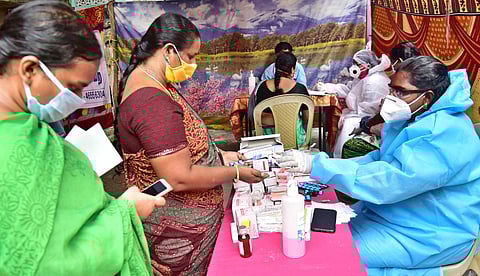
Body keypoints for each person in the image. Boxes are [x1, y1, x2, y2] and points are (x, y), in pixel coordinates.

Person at [0, 1, 165, 275]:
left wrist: (118, 207)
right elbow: (42, 266)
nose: (74, 103)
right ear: (29, 70)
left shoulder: (31, 129)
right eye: (71, 88)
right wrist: (125, 213)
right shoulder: (12, 149)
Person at [278, 56, 480, 275]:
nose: (391, 98)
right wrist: (316, 163)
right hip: (400, 214)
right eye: (392, 89)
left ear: (427, 97)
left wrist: (318, 167)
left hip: (430, 232)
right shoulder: (416, 117)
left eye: (401, 92)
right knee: (327, 233)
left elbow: (389, 181)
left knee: (334, 256)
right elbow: (379, 160)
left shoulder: (443, 133)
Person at [114, 13, 264, 276]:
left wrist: (219, 156)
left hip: (189, 229)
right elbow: (180, 177)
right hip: (178, 238)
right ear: (169, 51)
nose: (194, 64)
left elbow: (181, 144)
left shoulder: (157, 84)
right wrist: (236, 172)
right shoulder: (151, 102)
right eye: (191, 56)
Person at [343, 41, 422, 158]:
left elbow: (392, 114)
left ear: (399, 62)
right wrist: (367, 123)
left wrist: (367, 125)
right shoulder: (406, 79)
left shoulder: (412, 83)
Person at [331, 49, 391, 158]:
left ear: (367, 65)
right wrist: (331, 87)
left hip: (367, 118)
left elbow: (367, 110)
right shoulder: (365, 77)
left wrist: (349, 113)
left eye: (357, 64)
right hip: (359, 115)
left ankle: (342, 159)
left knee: (349, 125)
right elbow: (350, 90)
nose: (354, 66)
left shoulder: (375, 81)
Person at [249, 52, 310, 148]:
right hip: (296, 141)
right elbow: (307, 118)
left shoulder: (261, 87)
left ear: (275, 68)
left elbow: (254, 116)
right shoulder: (300, 89)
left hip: (268, 142)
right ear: (293, 69)